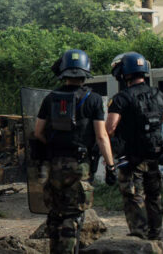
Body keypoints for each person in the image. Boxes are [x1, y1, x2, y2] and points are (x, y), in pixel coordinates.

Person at [34, 49, 115, 254]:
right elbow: (101, 136)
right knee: (72, 214)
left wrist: (53, 147)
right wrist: (111, 166)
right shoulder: (94, 99)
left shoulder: (50, 98)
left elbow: (38, 132)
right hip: (79, 165)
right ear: (85, 72)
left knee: (55, 213)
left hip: (54, 164)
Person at [106, 52, 163, 241]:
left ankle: (138, 238)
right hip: (154, 156)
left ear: (124, 73)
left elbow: (110, 128)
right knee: (154, 198)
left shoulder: (121, 98)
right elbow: (161, 121)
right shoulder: (158, 94)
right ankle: (155, 238)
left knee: (134, 199)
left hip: (132, 159)